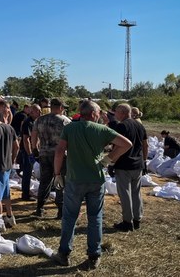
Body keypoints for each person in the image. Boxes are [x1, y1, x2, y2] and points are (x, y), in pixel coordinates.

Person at [51, 100, 132, 269]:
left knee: (69, 217)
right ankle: (94, 256)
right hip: (96, 179)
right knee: (95, 218)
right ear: (94, 114)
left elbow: (59, 151)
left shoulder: (70, 128)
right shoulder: (102, 129)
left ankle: (64, 253)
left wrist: (57, 174)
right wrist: (108, 159)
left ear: (81, 113)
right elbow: (126, 144)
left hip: (75, 179)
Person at [109, 104, 148, 232]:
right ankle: (137, 219)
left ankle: (127, 221)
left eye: (116, 112)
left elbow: (116, 146)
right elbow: (145, 145)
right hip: (138, 164)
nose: (115, 114)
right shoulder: (140, 125)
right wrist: (144, 161)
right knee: (136, 192)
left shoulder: (122, 126)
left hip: (124, 164)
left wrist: (111, 162)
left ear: (122, 113)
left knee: (125, 193)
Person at [31, 98, 72, 218]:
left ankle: (40, 208)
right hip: (60, 155)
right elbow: (70, 139)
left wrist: (34, 149)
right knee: (60, 181)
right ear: (60, 107)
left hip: (44, 154)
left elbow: (33, 135)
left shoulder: (40, 120)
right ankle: (61, 209)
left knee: (44, 182)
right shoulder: (65, 121)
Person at [19, 104, 41, 201]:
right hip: (27, 151)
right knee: (27, 173)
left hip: (34, 150)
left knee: (30, 172)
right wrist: (30, 154)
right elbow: (25, 139)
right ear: (32, 112)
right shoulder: (28, 122)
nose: (40, 113)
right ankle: (25, 194)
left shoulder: (36, 121)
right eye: (38, 111)